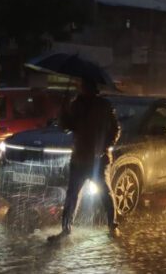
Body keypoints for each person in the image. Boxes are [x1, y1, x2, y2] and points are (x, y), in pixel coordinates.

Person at [48, 76, 121, 241]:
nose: (83, 89)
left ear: (93, 89)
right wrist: (64, 109)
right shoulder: (76, 104)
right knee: (72, 194)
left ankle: (112, 224)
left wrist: (105, 146)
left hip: (98, 159)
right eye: (82, 87)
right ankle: (66, 228)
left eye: (86, 87)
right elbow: (66, 126)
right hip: (79, 157)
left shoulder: (104, 106)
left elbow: (116, 129)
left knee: (105, 193)